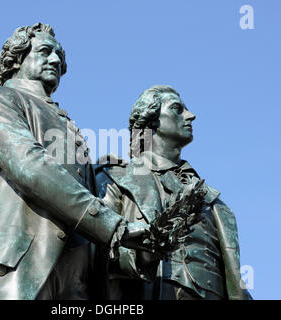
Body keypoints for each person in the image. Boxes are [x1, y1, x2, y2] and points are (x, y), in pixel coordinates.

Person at [0, 23, 147, 300]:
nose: (56, 60)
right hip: (12, 272)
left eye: (60, 56)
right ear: (17, 58)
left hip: (75, 282)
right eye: (45, 51)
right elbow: (31, 166)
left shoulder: (69, 128)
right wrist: (112, 225)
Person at [94, 85, 252, 300]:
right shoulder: (116, 176)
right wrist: (140, 257)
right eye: (178, 109)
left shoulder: (212, 199)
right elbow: (96, 247)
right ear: (151, 120)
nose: (191, 115)